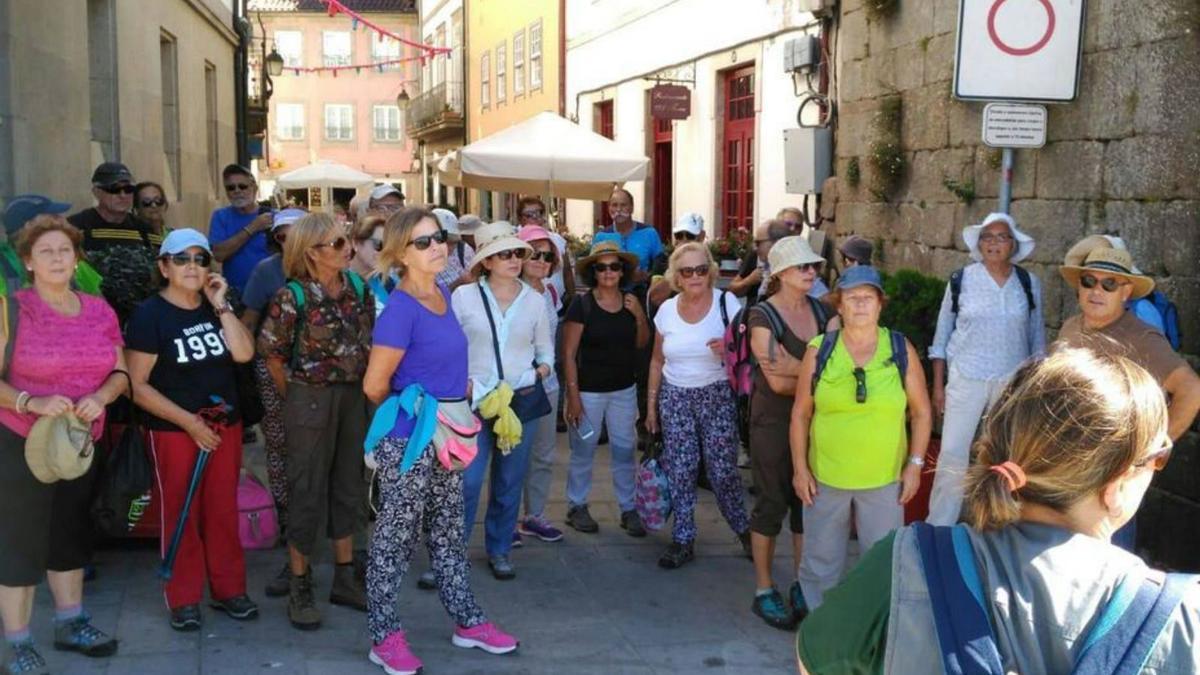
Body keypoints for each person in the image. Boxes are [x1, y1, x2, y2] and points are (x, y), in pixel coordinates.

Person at [796, 349, 1200, 674]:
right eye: (1157, 456)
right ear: (1115, 485)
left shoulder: (905, 560)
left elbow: (813, 656)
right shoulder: (1181, 619)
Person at [361, 207, 517, 674]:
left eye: (441, 237)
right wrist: (420, 404)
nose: (437, 247)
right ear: (400, 253)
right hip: (411, 439)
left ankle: (467, 621)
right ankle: (384, 636)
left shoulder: (445, 293)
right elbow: (374, 385)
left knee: (449, 531)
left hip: (451, 431)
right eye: (423, 242)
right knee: (394, 538)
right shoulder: (400, 310)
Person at [0, 216, 125, 673]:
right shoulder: (11, 309)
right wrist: (29, 400)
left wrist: (101, 396)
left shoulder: (99, 310)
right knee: (19, 541)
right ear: (28, 262)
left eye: (64, 250)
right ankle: (18, 641)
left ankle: (71, 622)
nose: (56, 258)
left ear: (76, 259)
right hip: (20, 442)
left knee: (70, 534)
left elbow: (119, 371)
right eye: (45, 251)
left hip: (79, 442)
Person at [125, 229, 258, 631]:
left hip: (224, 427)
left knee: (221, 510)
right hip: (174, 430)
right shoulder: (150, 315)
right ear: (164, 266)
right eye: (181, 259)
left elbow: (244, 353)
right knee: (181, 510)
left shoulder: (214, 308)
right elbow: (137, 384)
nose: (192, 266)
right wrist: (188, 422)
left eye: (201, 259)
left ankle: (228, 589)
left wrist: (221, 306)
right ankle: (183, 597)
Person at [257, 212, 374, 630]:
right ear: (311, 252)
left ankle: (344, 576)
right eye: (338, 244)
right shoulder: (292, 297)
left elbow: (369, 342)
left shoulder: (359, 288)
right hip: (309, 398)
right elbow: (272, 354)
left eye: (347, 242)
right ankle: (300, 584)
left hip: (352, 397)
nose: (348, 250)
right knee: (306, 490)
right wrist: (298, 397)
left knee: (349, 486)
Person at [789, 265, 931, 610]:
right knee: (820, 563)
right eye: (852, 298)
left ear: (881, 304)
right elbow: (800, 413)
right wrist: (800, 469)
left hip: (884, 479)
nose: (861, 305)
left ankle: (870, 633)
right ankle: (820, 632)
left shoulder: (899, 349)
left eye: (868, 297)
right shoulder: (820, 350)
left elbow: (922, 412)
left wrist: (914, 465)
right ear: (839, 306)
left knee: (880, 564)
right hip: (825, 477)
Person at [1053, 243, 1200, 551]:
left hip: (1112, 471)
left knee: (1107, 559)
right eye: (1089, 281)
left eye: (1109, 284)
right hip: (1065, 463)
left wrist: (1152, 448)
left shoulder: (1141, 337)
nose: (1097, 290)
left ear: (1126, 292)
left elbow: (1191, 388)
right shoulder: (1070, 327)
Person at [926, 213, 1044, 526]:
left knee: (1003, 455)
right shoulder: (961, 280)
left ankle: (994, 522)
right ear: (979, 245)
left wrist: (1034, 387)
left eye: (1001, 236)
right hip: (966, 376)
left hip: (1011, 381)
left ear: (1013, 245)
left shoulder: (1028, 283)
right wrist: (938, 387)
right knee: (952, 453)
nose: (993, 243)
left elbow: (1037, 341)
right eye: (987, 237)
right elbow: (941, 338)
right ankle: (940, 525)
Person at [451, 221, 553, 580]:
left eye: (516, 253)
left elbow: (546, 352)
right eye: (503, 253)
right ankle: (451, 552)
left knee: (509, 481)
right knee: (467, 481)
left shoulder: (536, 300)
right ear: (487, 261)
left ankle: (499, 549)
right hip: (474, 401)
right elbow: (450, 348)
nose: (513, 259)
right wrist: (460, 384)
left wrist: (536, 374)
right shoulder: (463, 297)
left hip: (520, 401)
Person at [646, 242, 750, 569]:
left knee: (722, 471)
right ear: (677, 276)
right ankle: (683, 537)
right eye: (687, 271)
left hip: (716, 394)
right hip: (675, 396)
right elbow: (656, 360)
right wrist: (650, 407)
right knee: (681, 469)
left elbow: (750, 346)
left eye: (701, 270)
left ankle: (744, 529)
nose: (695, 276)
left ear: (711, 272)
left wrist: (729, 347)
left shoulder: (727, 302)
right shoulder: (666, 310)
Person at [744, 237, 830, 630]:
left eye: (813, 266)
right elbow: (774, 381)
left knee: (806, 504)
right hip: (773, 423)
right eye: (802, 267)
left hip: (815, 421)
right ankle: (764, 589)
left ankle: (801, 583)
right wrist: (818, 372)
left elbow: (833, 366)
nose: (811, 272)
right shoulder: (762, 316)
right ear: (780, 274)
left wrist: (796, 367)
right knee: (771, 501)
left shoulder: (823, 310)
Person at [561, 241, 649, 536]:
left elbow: (641, 343)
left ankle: (628, 508)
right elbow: (569, 354)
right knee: (583, 449)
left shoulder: (631, 300)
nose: (609, 272)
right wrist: (573, 397)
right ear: (593, 272)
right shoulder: (582, 304)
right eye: (602, 267)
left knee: (624, 450)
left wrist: (638, 315)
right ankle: (577, 505)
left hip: (623, 390)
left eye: (615, 266)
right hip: (588, 392)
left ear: (623, 271)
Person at [239, 208, 305, 598]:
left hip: (319, 374)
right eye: (283, 235)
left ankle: (314, 522)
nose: (290, 240)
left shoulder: (327, 264)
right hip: (273, 368)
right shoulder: (266, 271)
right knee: (279, 447)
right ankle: (285, 517)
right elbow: (248, 320)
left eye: (298, 233)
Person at [512, 224, 568, 545]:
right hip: (516, 386)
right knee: (512, 456)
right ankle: (506, 520)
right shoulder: (506, 290)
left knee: (544, 455)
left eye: (548, 256)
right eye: (535, 253)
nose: (542, 260)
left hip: (547, 384)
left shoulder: (549, 291)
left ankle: (534, 515)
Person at [68, 161, 161, 324]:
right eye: (114, 189)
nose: (123, 195)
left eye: (128, 189)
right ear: (97, 192)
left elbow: (160, 272)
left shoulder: (146, 231)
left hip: (139, 320)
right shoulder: (76, 227)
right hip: (92, 319)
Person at [2, 195, 102, 297]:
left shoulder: (72, 261)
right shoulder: (3, 266)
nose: (62, 222)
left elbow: (101, 305)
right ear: (27, 227)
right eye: (52, 219)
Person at [209, 164, 273, 294]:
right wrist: (252, 228)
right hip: (236, 294)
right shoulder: (221, 217)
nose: (237, 191)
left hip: (270, 294)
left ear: (254, 188)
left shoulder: (272, 217)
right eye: (231, 188)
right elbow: (218, 255)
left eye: (242, 186)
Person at [593, 188, 663, 287]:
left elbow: (660, 265)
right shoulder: (601, 237)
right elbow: (594, 269)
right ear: (609, 209)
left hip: (642, 294)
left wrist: (646, 277)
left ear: (632, 208)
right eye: (614, 205)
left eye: (623, 205)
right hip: (610, 294)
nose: (618, 209)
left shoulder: (649, 233)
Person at [515, 196, 576, 303]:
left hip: (554, 300)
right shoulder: (515, 240)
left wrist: (573, 297)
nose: (535, 217)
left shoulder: (557, 239)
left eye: (539, 212)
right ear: (520, 218)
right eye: (529, 214)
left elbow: (567, 271)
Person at [647, 213, 706, 309]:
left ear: (701, 237)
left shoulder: (707, 263)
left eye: (690, 235)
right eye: (679, 235)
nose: (684, 240)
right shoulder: (662, 260)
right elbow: (655, 298)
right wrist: (677, 264)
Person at [729, 219, 793, 302]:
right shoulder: (754, 256)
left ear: (776, 243)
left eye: (758, 243)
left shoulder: (795, 267)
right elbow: (732, 290)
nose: (755, 247)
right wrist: (748, 281)